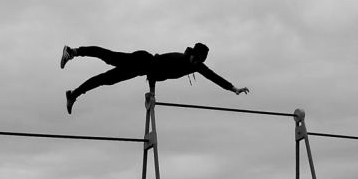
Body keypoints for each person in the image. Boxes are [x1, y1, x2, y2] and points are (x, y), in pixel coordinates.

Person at [60, 43, 249, 114]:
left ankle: (74, 94)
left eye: (198, 62)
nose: (195, 63)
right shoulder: (178, 59)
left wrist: (233, 89)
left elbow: (213, 77)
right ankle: (73, 52)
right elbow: (154, 70)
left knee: (105, 79)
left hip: (140, 68)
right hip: (141, 61)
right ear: (191, 55)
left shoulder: (197, 66)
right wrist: (152, 92)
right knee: (108, 59)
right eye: (194, 59)